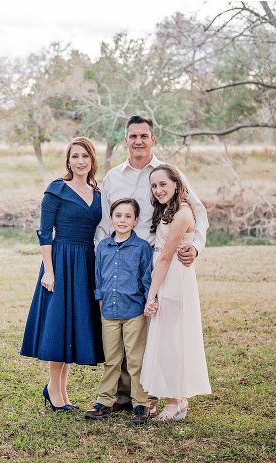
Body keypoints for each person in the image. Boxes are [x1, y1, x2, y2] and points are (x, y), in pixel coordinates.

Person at [95, 115, 209, 415]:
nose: (138, 141)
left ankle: (149, 396)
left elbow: (197, 212)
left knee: (150, 327)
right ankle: (122, 396)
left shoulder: (167, 174)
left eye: (144, 136)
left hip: (155, 259)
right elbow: (104, 224)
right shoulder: (112, 177)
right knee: (121, 325)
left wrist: (195, 247)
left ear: (152, 139)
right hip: (120, 259)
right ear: (125, 140)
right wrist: (104, 257)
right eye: (133, 136)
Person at [21, 136, 104, 412]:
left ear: (92, 160)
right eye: (75, 156)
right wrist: (49, 270)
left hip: (85, 262)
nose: (80, 161)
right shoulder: (56, 189)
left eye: (85, 156)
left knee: (71, 326)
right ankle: (54, 390)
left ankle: (60, 390)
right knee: (58, 326)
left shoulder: (98, 193)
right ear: (68, 161)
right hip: (61, 260)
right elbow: (45, 232)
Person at [141, 164, 212, 421]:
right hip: (164, 277)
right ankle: (174, 396)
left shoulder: (182, 213)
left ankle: (176, 401)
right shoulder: (166, 211)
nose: (158, 190)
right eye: (154, 185)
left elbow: (165, 258)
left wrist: (152, 296)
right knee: (166, 341)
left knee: (172, 342)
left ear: (176, 184)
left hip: (173, 279)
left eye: (163, 184)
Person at [84, 198, 155, 423]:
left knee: (135, 360)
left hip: (134, 311)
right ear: (111, 219)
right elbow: (99, 278)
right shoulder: (103, 247)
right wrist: (100, 303)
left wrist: (147, 304)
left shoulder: (142, 247)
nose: (122, 220)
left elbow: (146, 278)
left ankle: (141, 404)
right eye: (118, 216)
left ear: (135, 221)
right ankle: (104, 401)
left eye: (127, 216)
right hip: (109, 313)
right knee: (112, 360)